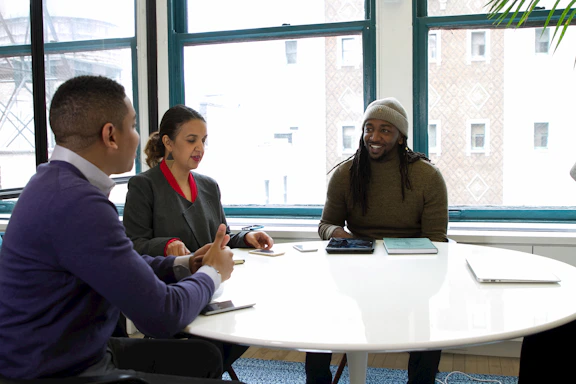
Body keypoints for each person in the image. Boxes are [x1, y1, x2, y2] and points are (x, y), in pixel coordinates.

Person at [0, 75, 241, 384]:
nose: (140, 137)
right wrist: (212, 273)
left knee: (204, 357)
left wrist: (185, 264)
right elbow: (163, 316)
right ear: (111, 135)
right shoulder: (78, 203)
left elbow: (123, 262)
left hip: (73, 350)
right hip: (57, 371)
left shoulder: (52, 182)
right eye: (134, 125)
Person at [307, 97, 448, 384]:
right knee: (318, 315)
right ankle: (317, 380)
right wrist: (338, 234)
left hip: (411, 270)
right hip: (356, 267)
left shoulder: (427, 176)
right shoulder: (346, 174)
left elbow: (437, 240)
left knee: (431, 324)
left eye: (385, 130)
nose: (374, 137)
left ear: (400, 137)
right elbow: (325, 224)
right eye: (369, 128)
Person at [122, 104, 273, 372]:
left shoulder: (208, 185)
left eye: (203, 141)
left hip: (214, 289)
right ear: (168, 142)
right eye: (191, 140)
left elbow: (220, 236)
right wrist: (166, 245)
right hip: (171, 294)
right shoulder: (143, 186)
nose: (200, 148)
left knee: (252, 325)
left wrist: (246, 236)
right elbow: (133, 246)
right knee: (209, 352)